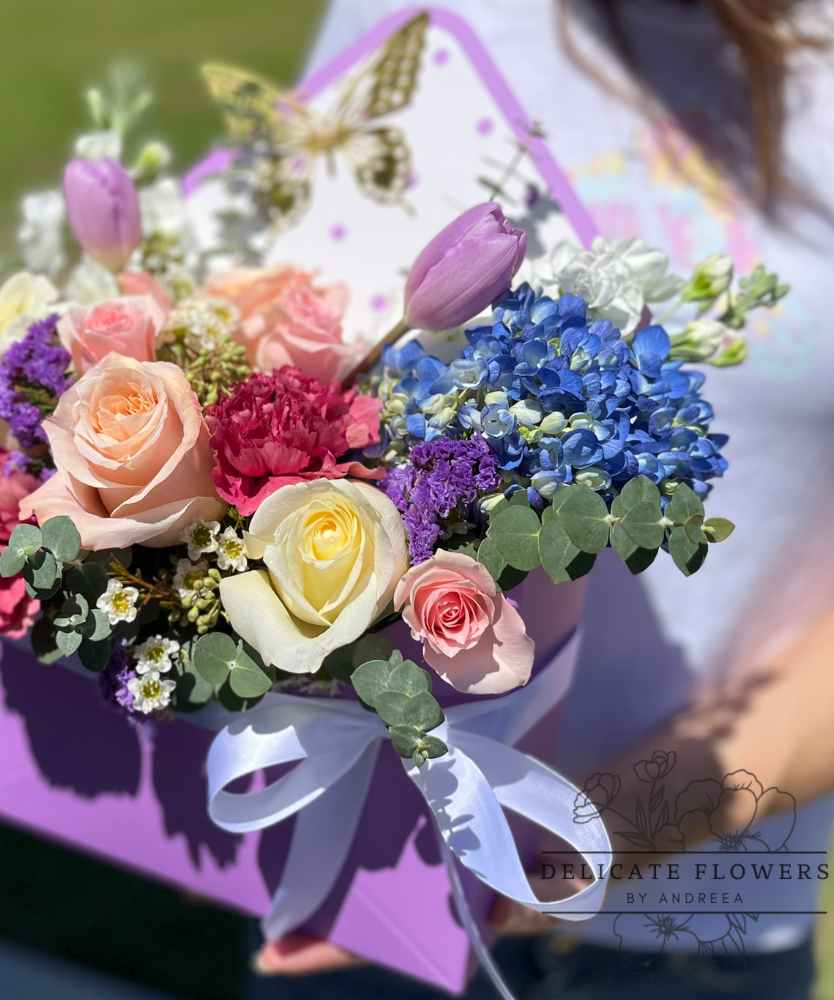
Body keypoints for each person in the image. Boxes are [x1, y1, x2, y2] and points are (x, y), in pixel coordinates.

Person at [244, 1, 834, 997]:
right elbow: (277, 364)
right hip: (357, 896)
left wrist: (554, 856)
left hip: (688, 943)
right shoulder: (412, 16)